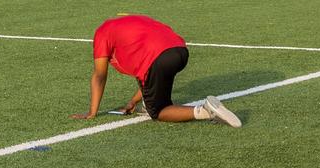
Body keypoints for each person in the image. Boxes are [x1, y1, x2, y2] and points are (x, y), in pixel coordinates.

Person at [75, 13, 241, 127]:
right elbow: (146, 76)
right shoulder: (129, 26)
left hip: (159, 58)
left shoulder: (102, 33)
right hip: (180, 51)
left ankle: (206, 111)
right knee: (155, 84)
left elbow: (99, 76)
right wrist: (133, 102)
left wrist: (92, 112)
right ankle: (153, 103)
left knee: (159, 111)